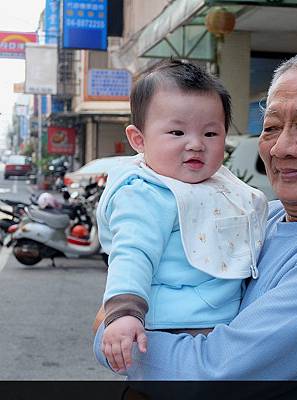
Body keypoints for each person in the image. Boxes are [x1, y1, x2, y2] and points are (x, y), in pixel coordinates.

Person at [94, 49, 297, 380]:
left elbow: (214, 374)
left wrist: (109, 338)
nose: (281, 148)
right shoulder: (260, 217)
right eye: (272, 127)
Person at [97, 59, 267, 374]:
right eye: (177, 131)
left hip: (222, 325)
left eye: (211, 134)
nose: (195, 144)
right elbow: (133, 253)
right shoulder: (145, 194)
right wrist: (123, 314)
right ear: (139, 139)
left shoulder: (220, 186)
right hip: (170, 326)